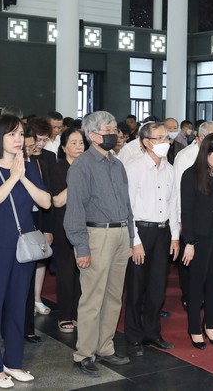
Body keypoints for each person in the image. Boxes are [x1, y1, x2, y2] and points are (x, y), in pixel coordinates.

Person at [0, 115, 50, 388]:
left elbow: (46, 201)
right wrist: (12, 178)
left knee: (19, 306)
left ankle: (13, 362)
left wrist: (23, 176)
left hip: (23, 248)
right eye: (12, 135)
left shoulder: (29, 167)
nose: (19, 139)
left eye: (20, 135)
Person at [65, 111, 134, 377]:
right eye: (108, 129)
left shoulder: (117, 163)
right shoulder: (82, 165)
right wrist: (81, 248)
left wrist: (129, 238)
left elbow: (127, 204)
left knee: (114, 296)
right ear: (92, 135)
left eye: (115, 128)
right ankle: (84, 353)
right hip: (96, 236)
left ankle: (105, 346)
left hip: (119, 233)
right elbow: (74, 212)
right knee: (93, 297)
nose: (114, 133)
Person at [124, 122, 180, 355]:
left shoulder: (169, 168)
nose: (165, 142)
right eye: (160, 138)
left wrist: (175, 237)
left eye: (167, 138)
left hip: (163, 231)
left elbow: (174, 203)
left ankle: (152, 332)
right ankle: (134, 334)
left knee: (158, 286)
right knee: (136, 286)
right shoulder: (134, 167)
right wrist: (134, 240)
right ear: (146, 142)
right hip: (141, 231)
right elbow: (126, 207)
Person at [181, 133, 213, 348]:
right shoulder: (190, 175)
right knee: (196, 285)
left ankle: (210, 325)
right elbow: (187, 212)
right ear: (207, 153)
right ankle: (194, 328)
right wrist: (190, 242)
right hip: (199, 239)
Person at [173, 121, 213, 311]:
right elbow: (179, 192)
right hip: (189, 218)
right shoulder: (186, 157)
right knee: (190, 264)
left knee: (208, 265)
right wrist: (181, 223)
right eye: (212, 138)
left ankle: (204, 297)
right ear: (200, 137)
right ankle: (189, 297)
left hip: (210, 222)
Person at [22, 118, 56, 342]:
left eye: (44, 140)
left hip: (41, 214)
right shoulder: (15, 159)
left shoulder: (48, 158)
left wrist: (48, 228)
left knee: (40, 258)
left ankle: (35, 301)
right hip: (22, 216)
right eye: (37, 140)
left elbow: (49, 195)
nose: (40, 144)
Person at [48, 128, 85, 334]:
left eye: (81, 142)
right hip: (64, 224)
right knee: (66, 271)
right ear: (64, 147)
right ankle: (64, 315)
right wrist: (77, 180)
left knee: (84, 270)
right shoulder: (57, 168)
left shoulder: (90, 167)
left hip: (87, 224)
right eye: (73, 142)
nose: (79, 146)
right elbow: (58, 200)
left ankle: (80, 313)